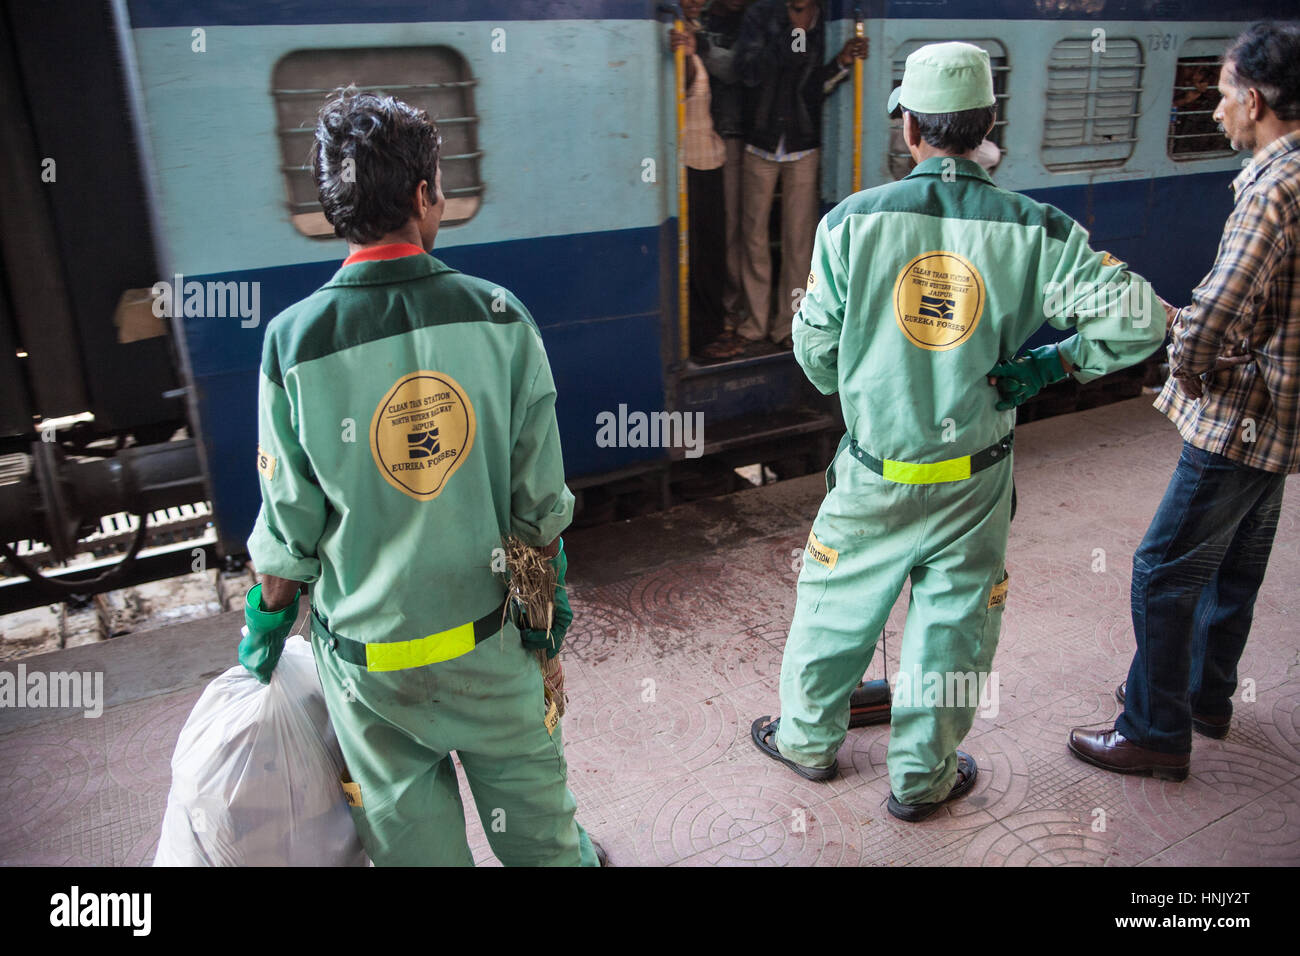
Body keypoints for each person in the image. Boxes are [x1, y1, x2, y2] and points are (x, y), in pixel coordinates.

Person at [751, 43, 1166, 821]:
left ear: (909, 128)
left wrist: (874, 377)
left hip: (874, 470)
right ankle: (920, 778)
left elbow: (813, 354)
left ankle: (807, 743)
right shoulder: (1035, 227)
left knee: (833, 608)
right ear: (985, 128)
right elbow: (1141, 319)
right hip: (973, 479)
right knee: (953, 626)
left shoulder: (849, 224)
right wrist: (1054, 365)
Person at [237, 88, 602, 866]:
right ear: (423, 194)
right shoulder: (501, 317)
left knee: (415, 854)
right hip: (490, 648)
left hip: (372, 678)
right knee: (545, 838)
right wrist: (546, 618)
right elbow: (539, 513)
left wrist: (262, 642)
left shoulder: (292, 345)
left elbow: (285, 543)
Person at [1069, 22, 1300, 781]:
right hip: (1285, 419)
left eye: (1225, 93)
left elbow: (1211, 318)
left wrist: (1190, 364)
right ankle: (1205, 696)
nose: (1216, 111)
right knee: (1235, 564)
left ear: (1257, 100)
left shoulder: (1271, 192)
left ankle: (1154, 729)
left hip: (1240, 420)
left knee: (1162, 568)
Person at [731, 0, 867, 355]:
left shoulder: (825, 21)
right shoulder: (762, 14)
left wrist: (840, 63)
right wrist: (793, 37)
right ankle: (754, 322)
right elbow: (746, 72)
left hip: (802, 145)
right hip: (760, 142)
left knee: (799, 242)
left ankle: (788, 323)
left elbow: (811, 90)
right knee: (753, 237)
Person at [669, 2, 728, 359]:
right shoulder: (674, 39)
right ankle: (700, 339)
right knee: (699, 254)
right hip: (689, 163)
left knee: (711, 252)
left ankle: (711, 329)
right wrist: (687, 55)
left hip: (708, 158)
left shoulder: (695, 37)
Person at [696, 0, 754, 361]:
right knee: (728, 228)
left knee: (745, 228)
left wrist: (700, 46)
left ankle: (736, 309)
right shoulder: (700, 20)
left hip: (742, 134)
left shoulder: (754, 20)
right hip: (714, 137)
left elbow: (740, 71)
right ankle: (728, 311)